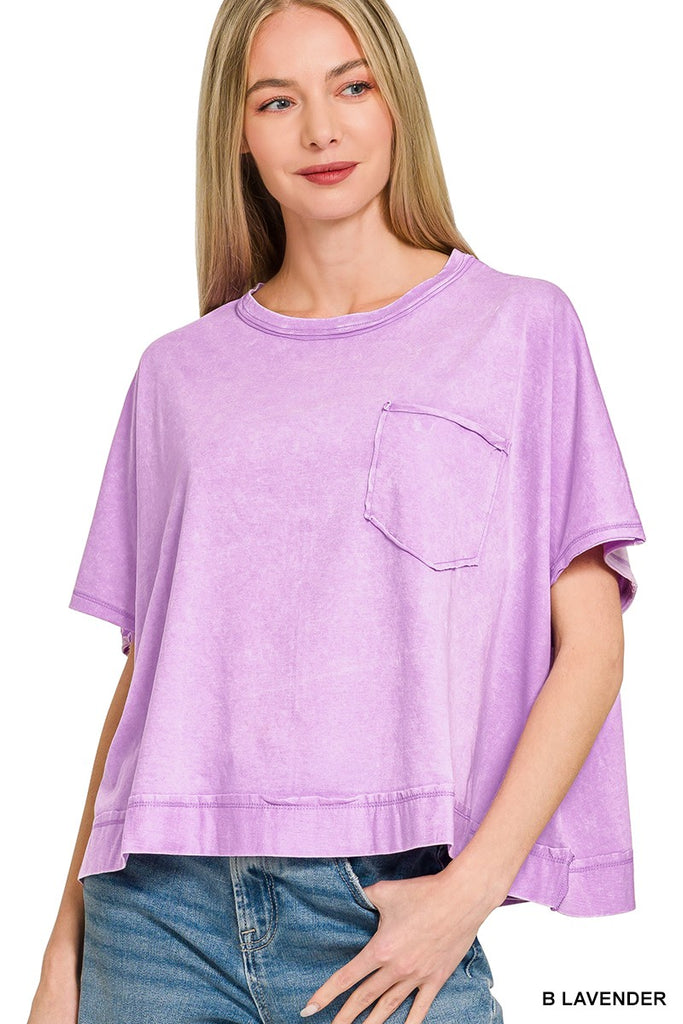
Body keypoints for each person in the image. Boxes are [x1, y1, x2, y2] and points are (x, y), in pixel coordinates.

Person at [28, 1, 647, 1022]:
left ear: (395, 102)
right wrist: (64, 947)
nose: (320, 129)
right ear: (237, 132)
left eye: (351, 86)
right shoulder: (177, 375)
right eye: (277, 101)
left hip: (387, 908)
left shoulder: (517, 328)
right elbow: (149, 678)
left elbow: (589, 645)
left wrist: (465, 895)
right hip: (156, 920)